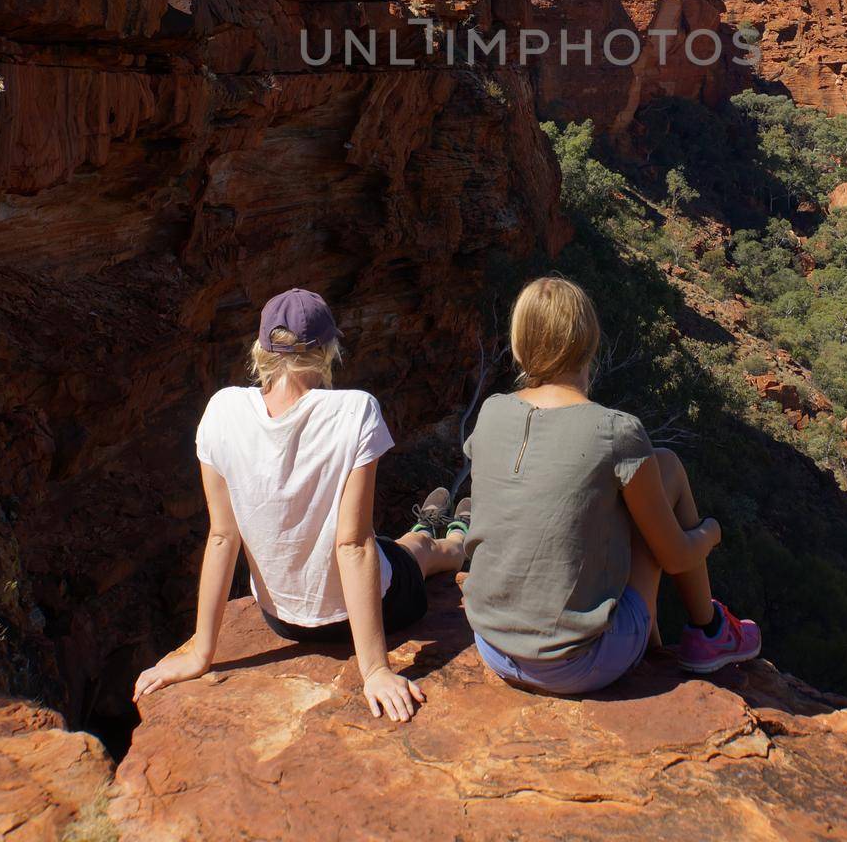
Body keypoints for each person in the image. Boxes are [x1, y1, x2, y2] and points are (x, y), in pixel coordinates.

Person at [132, 288, 469, 722]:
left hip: (282, 620)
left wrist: (201, 652)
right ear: (328, 351)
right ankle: (457, 538)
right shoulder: (356, 411)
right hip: (369, 610)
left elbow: (222, 536)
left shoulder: (221, 410)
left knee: (397, 547)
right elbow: (352, 546)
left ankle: (428, 525)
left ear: (261, 349)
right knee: (415, 555)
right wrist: (376, 670)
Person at [463, 276, 761, 695]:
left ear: (518, 345)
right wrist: (711, 532)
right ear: (589, 344)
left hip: (491, 645)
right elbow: (674, 557)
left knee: (619, 490)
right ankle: (708, 632)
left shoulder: (492, 411)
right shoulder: (615, 430)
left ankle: (656, 634)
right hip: (574, 664)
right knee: (667, 469)